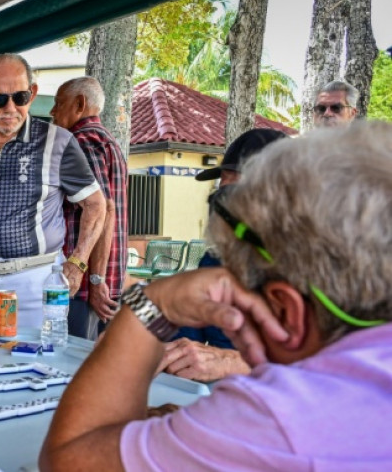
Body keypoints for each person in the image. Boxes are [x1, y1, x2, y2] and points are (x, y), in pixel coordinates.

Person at [40, 122, 392, 471]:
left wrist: (150, 303)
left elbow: (67, 459)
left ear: (287, 310)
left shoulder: (281, 418)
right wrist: (204, 435)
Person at [0, 53, 106, 333]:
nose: (11, 108)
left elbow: (96, 205)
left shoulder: (58, 142)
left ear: (33, 93)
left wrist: (78, 262)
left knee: (32, 367)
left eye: (21, 97)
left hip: (35, 283)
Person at [158, 127, 288, 382]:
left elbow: (334, 370)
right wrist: (138, 324)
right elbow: (183, 331)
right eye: (220, 191)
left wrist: (234, 362)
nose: (221, 205)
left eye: (234, 193)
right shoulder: (216, 259)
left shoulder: (319, 267)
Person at [50, 77, 128, 340]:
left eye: (58, 103)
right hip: (100, 280)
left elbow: (102, 208)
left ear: (80, 104)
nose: (52, 112)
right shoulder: (107, 140)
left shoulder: (81, 142)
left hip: (84, 285)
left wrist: (95, 280)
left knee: (73, 366)